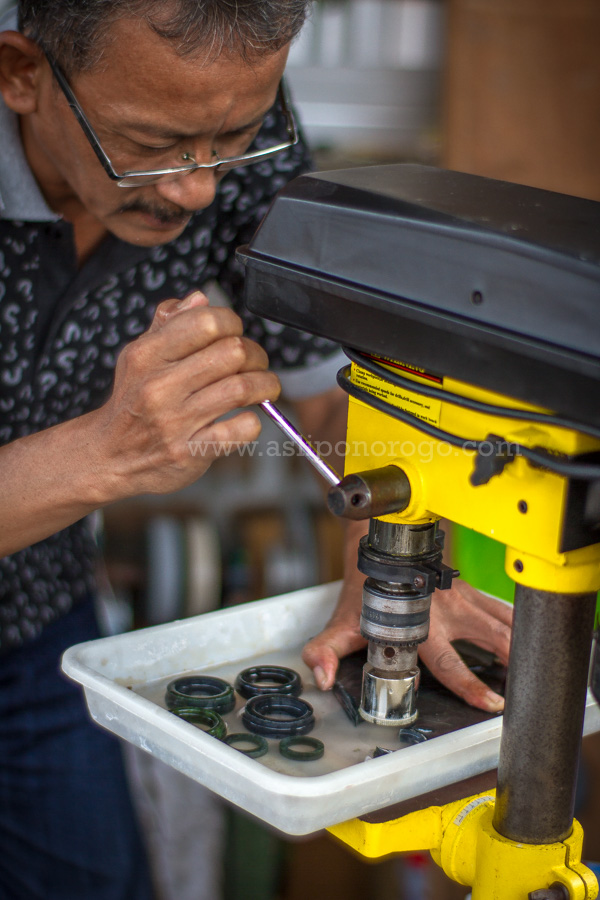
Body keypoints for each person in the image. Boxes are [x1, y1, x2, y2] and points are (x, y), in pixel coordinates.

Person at [0, 0, 512, 896]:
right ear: (20, 74)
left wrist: (390, 566)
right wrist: (103, 455)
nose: (196, 190)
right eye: (150, 144)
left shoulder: (227, 132)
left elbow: (327, 400)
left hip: (43, 614)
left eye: (236, 134)